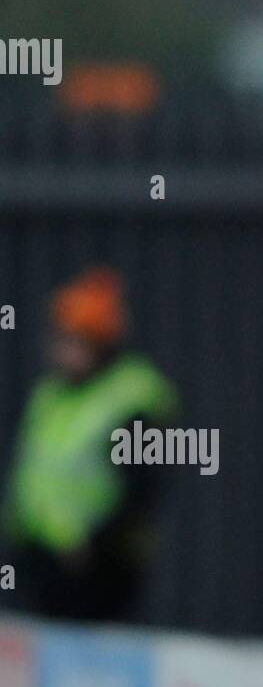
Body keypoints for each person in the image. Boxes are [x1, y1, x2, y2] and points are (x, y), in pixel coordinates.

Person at [0, 266, 177, 623]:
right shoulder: (51, 394)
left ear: (100, 344)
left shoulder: (135, 396)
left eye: (76, 341)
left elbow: (142, 491)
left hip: (98, 572)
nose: (64, 351)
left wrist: (95, 545)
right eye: (61, 339)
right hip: (39, 565)